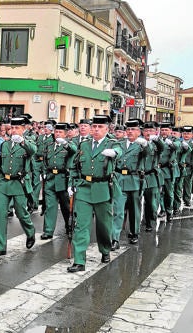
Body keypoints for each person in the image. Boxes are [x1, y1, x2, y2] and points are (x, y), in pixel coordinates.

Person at [68, 115, 121, 272]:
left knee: (104, 225)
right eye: (94, 127)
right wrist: (72, 183)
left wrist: (114, 153)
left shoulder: (112, 143)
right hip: (84, 188)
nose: (96, 129)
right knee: (81, 226)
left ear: (107, 129)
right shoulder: (83, 145)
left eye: (100, 127)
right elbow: (74, 166)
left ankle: (105, 250)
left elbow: (119, 150)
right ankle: (79, 261)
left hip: (103, 188)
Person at [0, 116, 37, 258]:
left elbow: (33, 151)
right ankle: (0, 246)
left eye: (17, 128)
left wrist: (22, 142)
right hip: (4, 182)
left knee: (21, 213)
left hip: (19, 183)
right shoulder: (5, 144)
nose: (14, 131)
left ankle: (30, 232)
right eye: (12, 128)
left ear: (23, 129)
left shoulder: (28, 143)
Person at [112, 119, 147, 246]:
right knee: (118, 210)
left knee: (134, 210)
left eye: (133, 129)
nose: (130, 132)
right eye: (128, 129)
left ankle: (134, 232)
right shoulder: (119, 143)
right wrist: (115, 153)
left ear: (139, 131)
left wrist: (145, 145)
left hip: (135, 180)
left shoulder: (142, 145)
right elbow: (117, 150)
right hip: (120, 179)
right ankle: (114, 238)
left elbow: (148, 153)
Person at [41, 123, 77, 239]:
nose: (58, 134)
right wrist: (44, 173)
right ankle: (48, 231)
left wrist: (65, 144)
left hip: (63, 179)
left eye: (60, 132)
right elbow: (45, 160)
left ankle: (69, 226)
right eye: (56, 132)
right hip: (51, 178)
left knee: (66, 207)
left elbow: (74, 150)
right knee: (50, 206)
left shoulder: (69, 145)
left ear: (66, 134)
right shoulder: (49, 146)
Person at [158, 122, 180, 222]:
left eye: (166, 130)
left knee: (168, 192)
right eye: (162, 130)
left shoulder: (174, 140)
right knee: (159, 193)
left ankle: (169, 211)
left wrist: (170, 143)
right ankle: (162, 209)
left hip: (168, 170)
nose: (164, 132)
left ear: (170, 131)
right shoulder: (157, 140)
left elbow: (177, 147)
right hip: (158, 170)